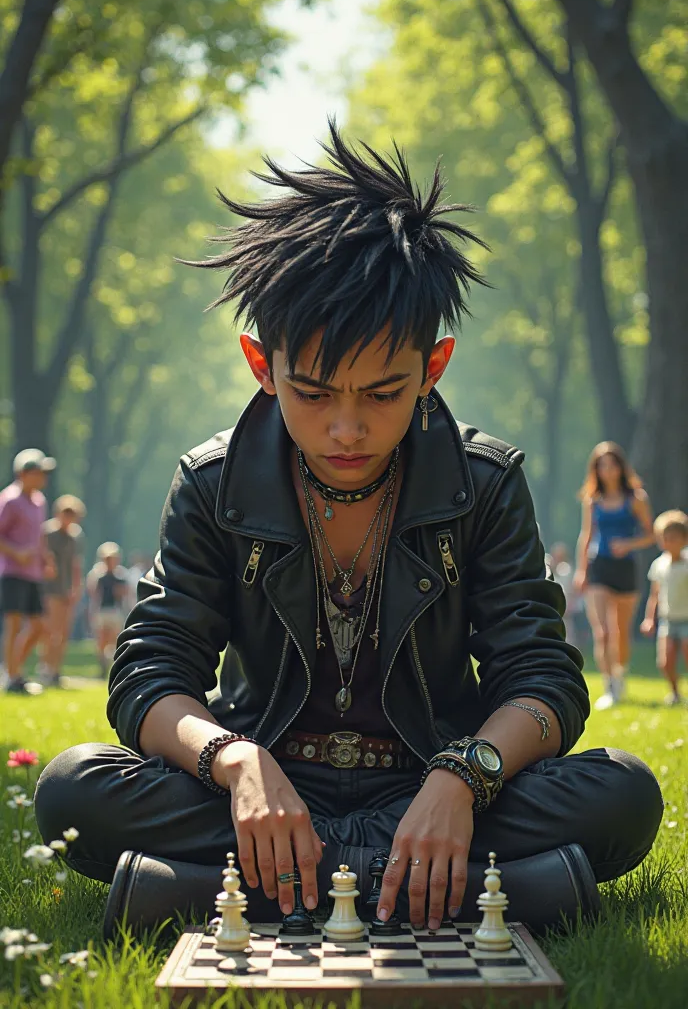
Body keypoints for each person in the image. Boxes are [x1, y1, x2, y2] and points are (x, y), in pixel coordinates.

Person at [34, 125, 662, 938]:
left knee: (625, 793)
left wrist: (462, 778)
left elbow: (542, 677)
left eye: (383, 392)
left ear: (433, 369)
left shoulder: (485, 483)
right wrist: (236, 761)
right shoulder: (212, 481)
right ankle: (482, 889)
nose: (346, 428)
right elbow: (151, 674)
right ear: (263, 367)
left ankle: (225, 889)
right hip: (262, 788)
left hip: (432, 779)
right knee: (70, 788)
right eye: (314, 393)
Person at [574, 442, 654, 710]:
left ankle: (620, 675)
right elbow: (586, 536)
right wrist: (582, 570)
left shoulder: (637, 498)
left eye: (612, 464)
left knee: (620, 632)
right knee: (603, 632)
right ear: (596, 470)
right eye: (602, 465)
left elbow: (651, 534)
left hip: (625, 568)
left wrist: (628, 544)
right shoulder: (592, 500)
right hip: (599, 566)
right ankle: (609, 686)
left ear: (621, 467)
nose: (608, 470)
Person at [0, 449, 57, 695]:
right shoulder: (9, 500)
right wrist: (15, 552)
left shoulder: (40, 501)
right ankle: (12, 677)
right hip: (12, 571)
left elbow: (39, 535)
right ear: (24, 473)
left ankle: (14, 671)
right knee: (13, 624)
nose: (44, 477)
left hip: (33, 573)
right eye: (39, 472)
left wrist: (46, 558)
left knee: (40, 627)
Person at [641, 510, 688, 706]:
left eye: (673, 538)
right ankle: (676, 693)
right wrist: (649, 619)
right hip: (667, 619)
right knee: (665, 662)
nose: (669, 542)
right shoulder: (659, 565)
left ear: (684, 539)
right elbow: (655, 595)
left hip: (686, 619)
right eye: (665, 538)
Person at [40, 495, 86, 687]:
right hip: (49, 588)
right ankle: (46, 668)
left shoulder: (76, 535)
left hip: (67, 589)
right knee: (51, 630)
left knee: (64, 632)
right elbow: (41, 556)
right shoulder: (47, 532)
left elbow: (76, 563)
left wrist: (76, 587)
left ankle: (56, 670)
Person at [86, 542, 129, 679]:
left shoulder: (121, 575)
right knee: (101, 639)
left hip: (115, 610)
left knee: (114, 639)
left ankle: (113, 666)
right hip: (102, 610)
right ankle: (103, 667)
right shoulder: (98, 575)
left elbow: (125, 594)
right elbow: (94, 595)